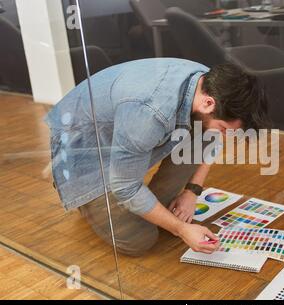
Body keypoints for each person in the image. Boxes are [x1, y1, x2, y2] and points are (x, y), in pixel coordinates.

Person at [45, 58, 270, 257]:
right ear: (209, 103)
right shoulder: (150, 112)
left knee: (205, 130)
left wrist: (192, 192)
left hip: (128, 125)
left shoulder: (209, 85)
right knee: (140, 240)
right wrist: (180, 229)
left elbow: (212, 138)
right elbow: (125, 187)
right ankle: (79, 193)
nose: (222, 137)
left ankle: (142, 194)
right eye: (224, 128)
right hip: (83, 149)